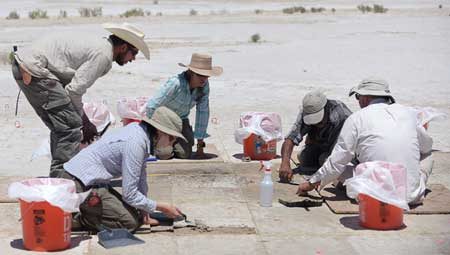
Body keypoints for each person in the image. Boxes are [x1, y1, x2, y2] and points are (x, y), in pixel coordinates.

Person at [11, 22, 150, 177]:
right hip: (35, 69)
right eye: (134, 53)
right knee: (70, 126)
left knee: (61, 126)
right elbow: (74, 91)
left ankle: (59, 177)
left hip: (25, 65)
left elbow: (71, 89)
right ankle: (63, 180)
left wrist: (83, 119)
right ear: (124, 47)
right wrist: (83, 121)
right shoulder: (103, 55)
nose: (133, 59)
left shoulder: (101, 46)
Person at [297, 78, 434, 205]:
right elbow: (426, 147)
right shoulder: (409, 113)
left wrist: (311, 183)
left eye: (358, 96)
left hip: (372, 195)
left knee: (337, 163)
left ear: (365, 98)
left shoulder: (356, 118)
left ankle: (350, 185)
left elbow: (337, 161)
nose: (358, 101)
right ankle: (413, 185)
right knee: (428, 156)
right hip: (410, 196)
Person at [59, 107, 184, 231]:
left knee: (135, 214)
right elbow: (129, 195)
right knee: (129, 222)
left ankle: (86, 210)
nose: (171, 144)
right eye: (171, 139)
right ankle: (76, 218)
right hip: (79, 183)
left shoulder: (140, 133)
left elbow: (140, 177)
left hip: (89, 181)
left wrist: (145, 212)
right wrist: (160, 206)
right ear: (159, 131)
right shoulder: (135, 143)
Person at [146, 53, 223, 159]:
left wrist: (200, 146)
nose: (204, 79)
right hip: (163, 121)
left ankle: (172, 141)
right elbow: (151, 106)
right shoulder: (175, 83)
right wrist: (156, 130)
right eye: (200, 75)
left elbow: (203, 113)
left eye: (206, 76)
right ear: (191, 72)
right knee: (164, 154)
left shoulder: (204, 86)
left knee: (184, 154)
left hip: (181, 120)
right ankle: (158, 142)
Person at [279, 90, 352, 182]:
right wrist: (285, 163)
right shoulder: (307, 111)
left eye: (320, 121)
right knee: (304, 157)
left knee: (325, 161)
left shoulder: (341, 115)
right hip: (321, 145)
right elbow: (291, 138)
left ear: (326, 108)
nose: (317, 124)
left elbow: (344, 149)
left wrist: (313, 182)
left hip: (340, 150)